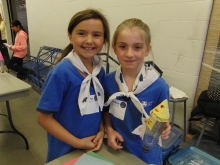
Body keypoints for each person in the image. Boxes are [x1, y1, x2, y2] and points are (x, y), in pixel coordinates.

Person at [37, 9, 110, 163]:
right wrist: (78, 143)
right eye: (81, 33)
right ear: (70, 36)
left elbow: (100, 107)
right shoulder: (61, 73)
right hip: (65, 151)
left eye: (96, 35)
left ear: (103, 39)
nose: (89, 40)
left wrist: (101, 130)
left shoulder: (99, 70)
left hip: (92, 147)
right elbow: (44, 119)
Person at [103, 18, 171, 165]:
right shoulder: (108, 81)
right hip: (117, 150)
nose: (129, 53)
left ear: (147, 50)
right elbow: (106, 110)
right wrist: (108, 129)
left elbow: (163, 118)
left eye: (137, 47)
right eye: (123, 46)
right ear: (114, 48)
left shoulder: (159, 86)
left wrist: (165, 127)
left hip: (146, 157)